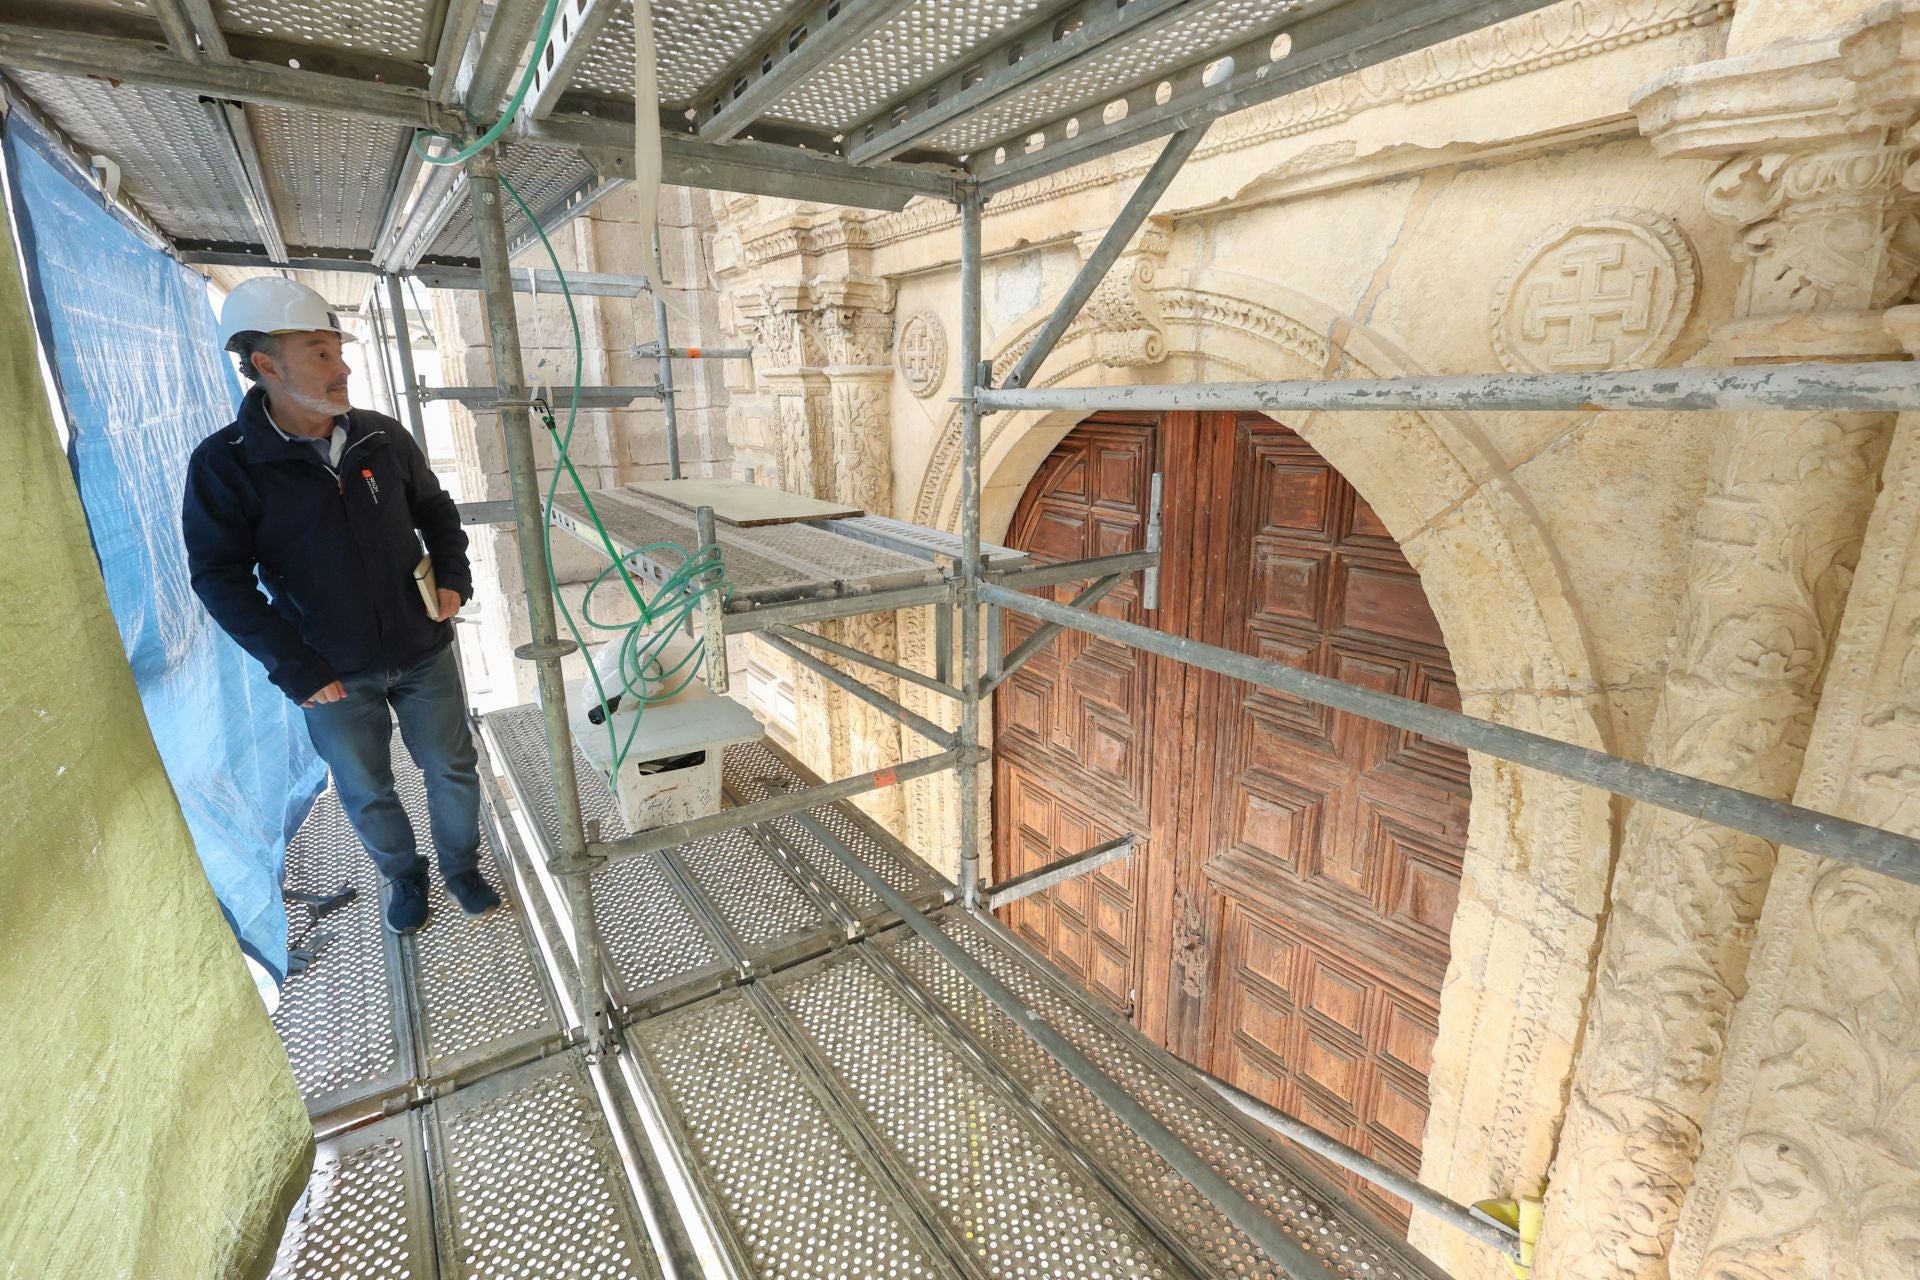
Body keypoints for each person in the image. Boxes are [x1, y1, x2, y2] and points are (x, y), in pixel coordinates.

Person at [182, 276, 500, 934]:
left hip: (422, 647)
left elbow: (435, 512)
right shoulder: (226, 466)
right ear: (267, 364)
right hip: (330, 669)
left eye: (338, 349)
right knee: (365, 786)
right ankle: (404, 876)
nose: (342, 366)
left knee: (451, 763)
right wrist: (293, 664)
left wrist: (454, 575)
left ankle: (461, 866)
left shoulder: (380, 437)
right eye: (319, 352)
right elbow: (219, 576)